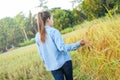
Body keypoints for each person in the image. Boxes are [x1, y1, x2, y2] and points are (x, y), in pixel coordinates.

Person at [35, 11, 85, 80]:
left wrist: (47, 62)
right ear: (48, 19)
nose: (53, 21)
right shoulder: (54, 31)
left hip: (52, 66)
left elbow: (41, 54)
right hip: (64, 62)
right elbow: (62, 47)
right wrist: (78, 44)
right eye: (52, 18)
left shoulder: (37, 36)